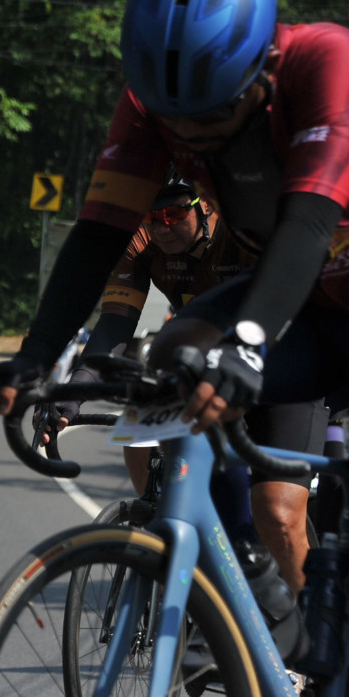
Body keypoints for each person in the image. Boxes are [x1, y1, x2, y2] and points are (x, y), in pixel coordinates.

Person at [0, 0, 349, 594]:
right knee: (173, 354)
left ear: (262, 63)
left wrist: (248, 343)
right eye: (176, 120)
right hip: (308, 304)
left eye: (214, 116)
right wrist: (35, 357)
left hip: (310, 271)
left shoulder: (324, 60)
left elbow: (308, 223)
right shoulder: (148, 104)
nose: (192, 136)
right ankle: (245, 580)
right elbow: (98, 235)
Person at [39, 180, 326, 582]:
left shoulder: (244, 230)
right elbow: (115, 324)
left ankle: (300, 614)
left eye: (174, 214)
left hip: (280, 366)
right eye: (152, 217)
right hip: (202, 367)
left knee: (276, 513)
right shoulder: (142, 243)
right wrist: (75, 389)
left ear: (206, 206)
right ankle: (189, 552)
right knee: (140, 430)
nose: (162, 227)